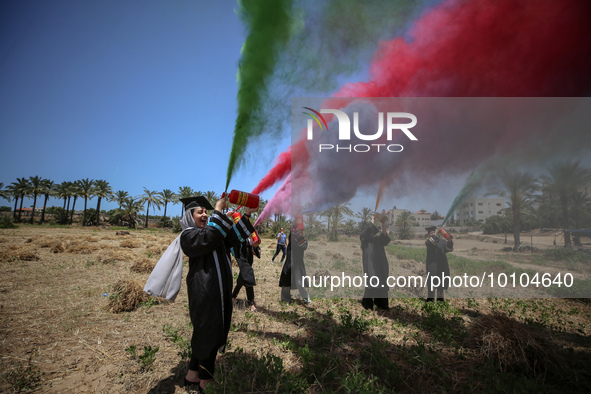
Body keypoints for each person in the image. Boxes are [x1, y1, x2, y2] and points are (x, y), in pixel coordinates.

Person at [179, 196, 256, 390]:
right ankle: (206, 382)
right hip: (204, 293)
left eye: (206, 211)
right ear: (189, 217)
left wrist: (246, 215)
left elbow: (233, 236)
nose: (204, 215)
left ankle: (192, 375)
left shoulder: (211, 233)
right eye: (200, 212)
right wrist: (218, 212)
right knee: (208, 333)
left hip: (216, 293)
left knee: (204, 332)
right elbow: (211, 236)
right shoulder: (189, 236)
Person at [360, 213, 391, 311]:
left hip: (381, 264)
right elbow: (368, 231)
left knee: (382, 282)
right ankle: (368, 304)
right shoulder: (364, 239)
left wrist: (383, 224)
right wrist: (372, 220)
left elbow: (385, 238)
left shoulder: (377, 239)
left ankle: (381, 304)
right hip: (370, 265)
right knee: (371, 283)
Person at [279, 226, 310, 304]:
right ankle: (285, 299)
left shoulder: (302, 239)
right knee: (286, 281)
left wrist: (300, 236)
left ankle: (306, 299)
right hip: (290, 262)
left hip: (298, 263)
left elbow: (304, 246)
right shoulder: (292, 234)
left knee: (300, 282)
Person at [231, 231, 261, 312]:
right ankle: (251, 304)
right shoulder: (238, 230)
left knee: (242, 277)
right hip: (241, 255)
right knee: (247, 275)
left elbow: (255, 247)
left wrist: (256, 245)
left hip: (249, 257)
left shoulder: (252, 232)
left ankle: (233, 297)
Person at [424, 226, 453, 302]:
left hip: (442, 265)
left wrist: (449, 241)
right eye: (431, 233)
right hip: (432, 265)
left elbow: (449, 249)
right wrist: (435, 235)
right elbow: (432, 242)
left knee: (441, 283)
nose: (432, 234)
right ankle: (430, 300)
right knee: (431, 282)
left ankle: (440, 300)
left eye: (434, 232)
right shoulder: (428, 242)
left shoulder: (443, 242)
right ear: (428, 235)